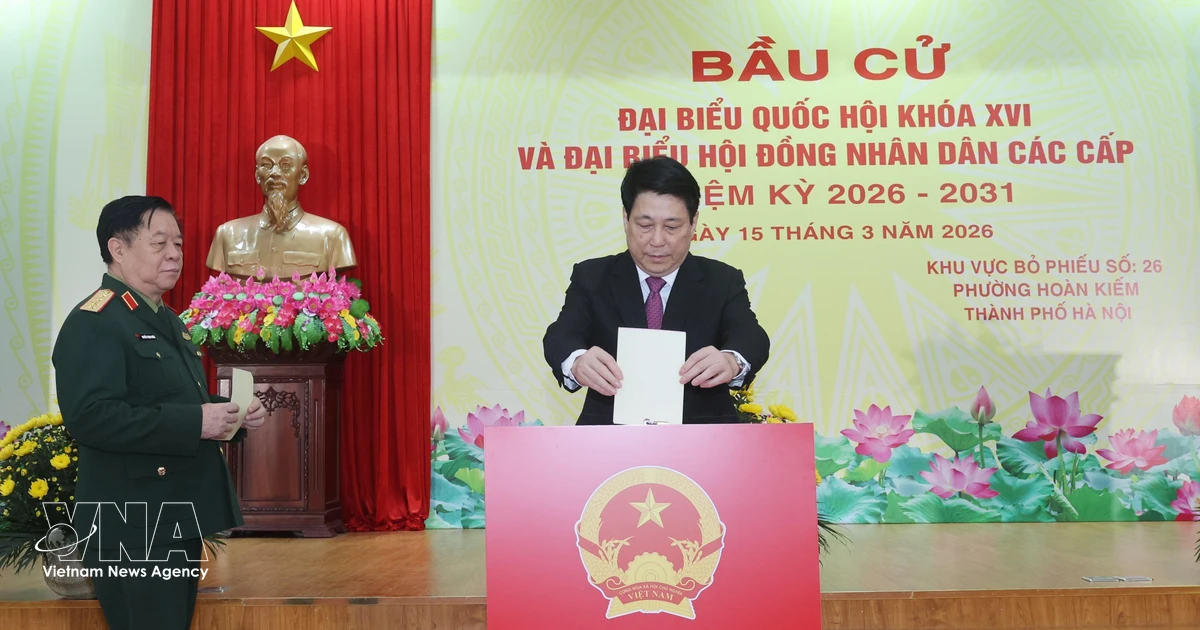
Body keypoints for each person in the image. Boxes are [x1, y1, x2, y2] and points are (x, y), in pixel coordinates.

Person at [51, 195, 268, 630]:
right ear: (118, 249)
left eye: (179, 243)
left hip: (171, 514)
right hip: (132, 522)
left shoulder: (168, 320)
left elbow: (169, 404)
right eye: (159, 243)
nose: (175, 253)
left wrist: (228, 415)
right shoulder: (95, 321)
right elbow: (91, 417)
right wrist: (196, 422)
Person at [543, 156, 770, 424]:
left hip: (705, 435)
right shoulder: (592, 277)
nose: (657, 240)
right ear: (625, 218)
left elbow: (751, 336)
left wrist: (732, 361)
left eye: (672, 227)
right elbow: (560, 335)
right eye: (645, 225)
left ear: (694, 222)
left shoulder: (721, 280)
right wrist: (577, 361)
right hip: (608, 437)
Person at [205, 134, 357, 280]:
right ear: (258, 175)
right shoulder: (228, 234)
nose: (275, 173)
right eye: (266, 165)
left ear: (303, 175)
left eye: (285, 165)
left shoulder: (332, 236)